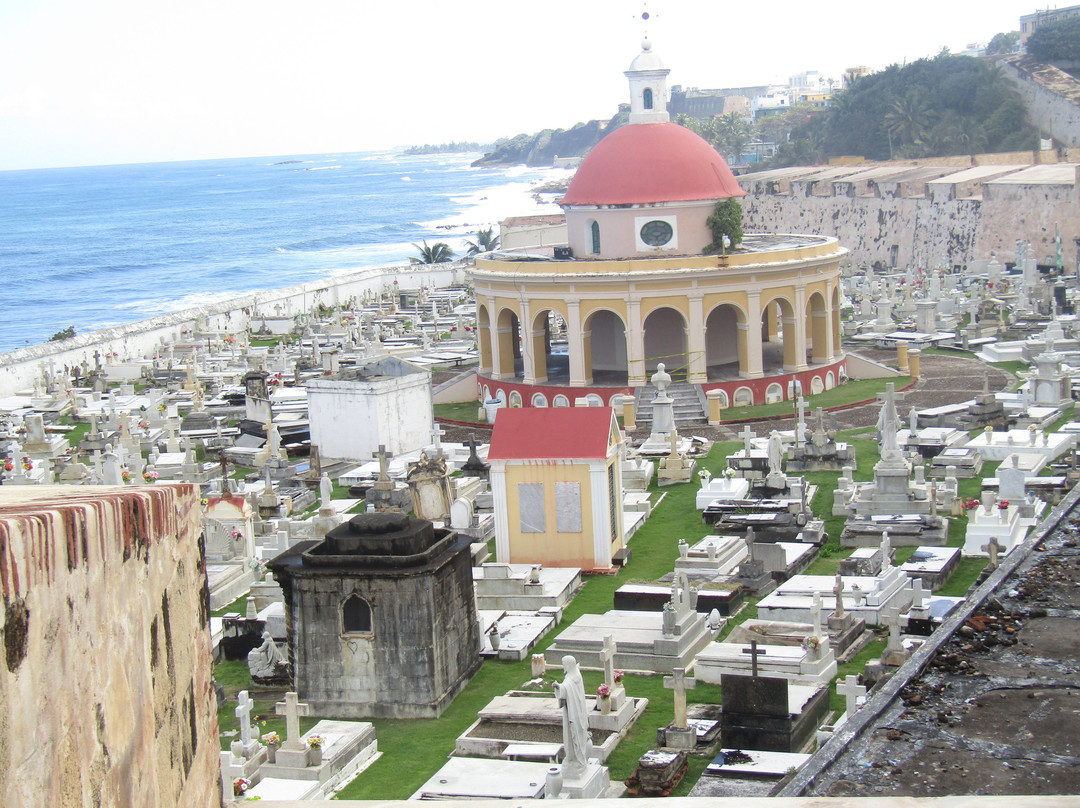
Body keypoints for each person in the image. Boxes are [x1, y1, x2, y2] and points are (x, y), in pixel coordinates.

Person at [553, 655, 591, 777]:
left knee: (575, 737)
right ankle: (574, 759)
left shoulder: (571, 679)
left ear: (568, 665)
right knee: (575, 737)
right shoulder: (576, 674)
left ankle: (578, 761)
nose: (563, 666)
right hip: (576, 712)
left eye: (564, 664)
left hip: (574, 715)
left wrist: (558, 687)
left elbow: (565, 688)